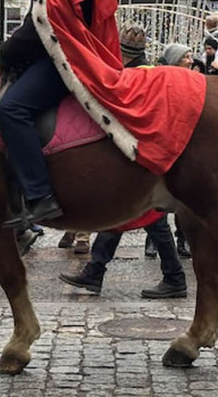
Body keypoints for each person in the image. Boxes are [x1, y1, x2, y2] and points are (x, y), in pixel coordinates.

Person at [0, 0, 205, 227]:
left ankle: (38, 195)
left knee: (12, 109)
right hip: (95, 57)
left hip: (64, 62)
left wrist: (3, 56)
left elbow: (41, 28)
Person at [58, 35, 188, 300]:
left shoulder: (134, 77)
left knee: (144, 219)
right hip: (143, 157)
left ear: (125, 54)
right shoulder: (143, 73)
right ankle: (96, 273)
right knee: (126, 218)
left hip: (142, 159)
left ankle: (173, 277)